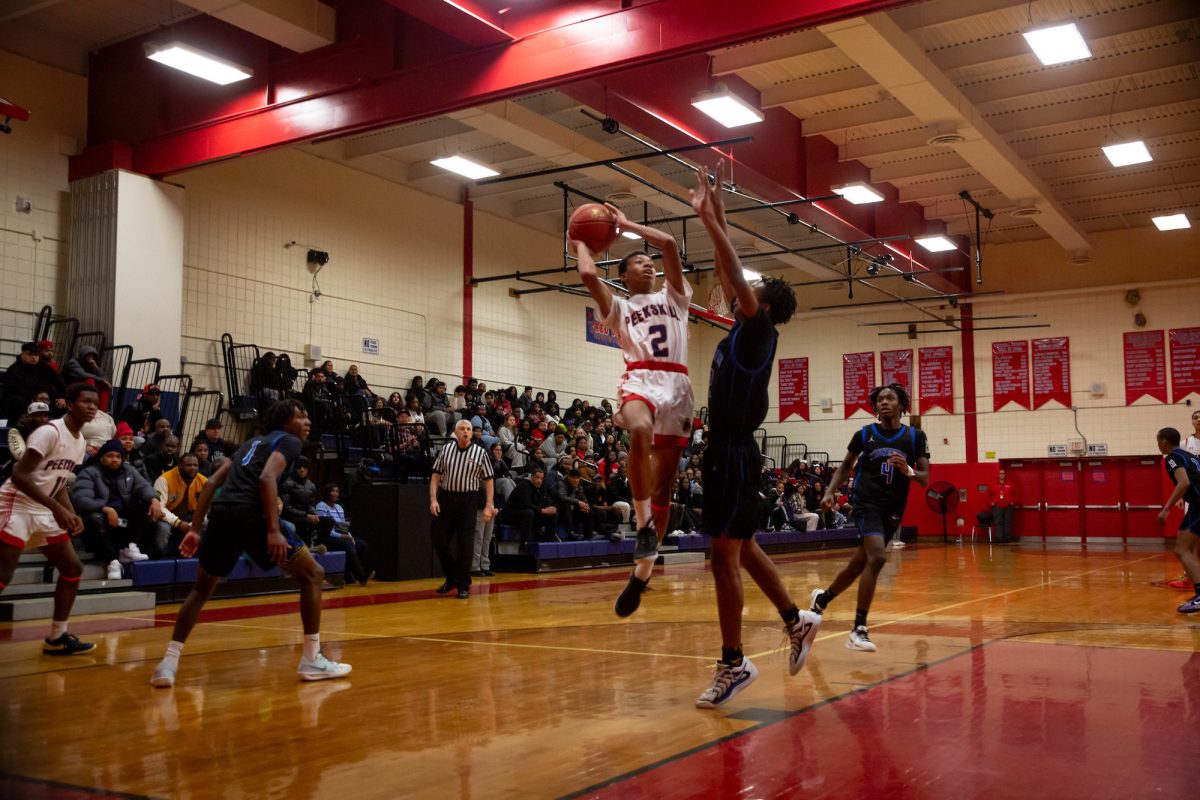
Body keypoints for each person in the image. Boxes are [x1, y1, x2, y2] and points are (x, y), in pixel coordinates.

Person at [686, 161, 821, 707]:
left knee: (724, 555)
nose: (743, 288)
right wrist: (714, 214)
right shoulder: (744, 329)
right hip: (727, 452)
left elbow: (735, 278)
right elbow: (727, 275)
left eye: (753, 288)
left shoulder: (760, 328)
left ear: (763, 305)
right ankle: (796, 620)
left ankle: (733, 663)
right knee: (740, 550)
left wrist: (711, 221)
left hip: (736, 452)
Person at [150, 399, 351, 687]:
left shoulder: (251, 443)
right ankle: (311, 659)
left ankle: (167, 663)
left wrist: (195, 529)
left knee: (202, 589)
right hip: (252, 516)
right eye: (300, 415)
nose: (307, 421)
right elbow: (268, 478)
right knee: (314, 574)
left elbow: (210, 485)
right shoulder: (290, 442)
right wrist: (273, 530)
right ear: (284, 421)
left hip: (223, 514)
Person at [575, 204, 694, 616]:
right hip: (641, 379)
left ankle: (641, 575)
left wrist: (625, 226)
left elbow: (671, 244)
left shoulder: (675, 297)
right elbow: (589, 275)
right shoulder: (620, 308)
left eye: (649, 262)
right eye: (638, 262)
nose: (648, 265)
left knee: (665, 493)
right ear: (623, 276)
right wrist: (580, 240)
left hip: (678, 387)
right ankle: (642, 524)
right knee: (638, 429)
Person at [812, 383, 930, 652]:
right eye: (879, 399)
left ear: (902, 405)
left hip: (893, 509)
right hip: (865, 504)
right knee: (877, 557)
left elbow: (924, 479)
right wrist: (830, 492)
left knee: (858, 565)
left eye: (890, 398)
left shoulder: (914, 438)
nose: (884, 402)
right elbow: (844, 467)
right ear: (875, 407)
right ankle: (858, 629)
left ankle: (823, 599)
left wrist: (909, 471)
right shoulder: (864, 434)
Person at [0, 383, 100, 655]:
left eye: (96, 402)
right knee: (3, 575)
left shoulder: (79, 442)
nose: (92, 407)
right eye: (85, 401)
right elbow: (19, 476)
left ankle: (57, 637)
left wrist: (70, 512)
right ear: (69, 404)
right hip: (16, 504)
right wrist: (58, 509)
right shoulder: (49, 432)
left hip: (43, 509)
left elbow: (58, 484)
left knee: (72, 569)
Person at [72, 438, 163, 577]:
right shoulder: (89, 472)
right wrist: (105, 509)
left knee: (146, 505)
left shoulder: (129, 471)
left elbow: (144, 487)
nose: (114, 459)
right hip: (99, 520)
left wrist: (155, 499)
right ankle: (112, 561)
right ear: (101, 458)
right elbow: (81, 500)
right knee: (94, 517)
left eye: (118, 456)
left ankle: (129, 548)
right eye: (110, 456)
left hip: (122, 518)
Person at [429, 419, 495, 598]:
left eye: (469, 429)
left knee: (465, 544)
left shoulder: (480, 453)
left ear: (472, 433)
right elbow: (435, 475)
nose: (466, 431)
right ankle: (452, 577)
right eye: (462, 429)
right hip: (447, 497)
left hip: (468, 500)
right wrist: (433, 500)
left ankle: (462, 584)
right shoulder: (446, 449)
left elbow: (489, 480)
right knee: (438, 538)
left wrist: (489, 505)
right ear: (455, 432)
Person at [1155, 427, 1200, 614]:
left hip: (1198, 506)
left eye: (1158, 441)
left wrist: (1166, 509)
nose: (1158, 444)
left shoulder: (1172, 457)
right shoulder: (1191, 456)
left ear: (1164, 441)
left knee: (1181, 549)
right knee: (1192, 550)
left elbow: (1184, 482)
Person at [151, 452, 207, 558]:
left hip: (190, 516)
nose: (192, 468)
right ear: (180, 466)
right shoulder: (164, 479)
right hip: (165, 517)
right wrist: (178, 523)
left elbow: (207, 507)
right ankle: (160, 558)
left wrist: (197, 521)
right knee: (163, 529)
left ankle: (199, 558)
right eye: (188, 465)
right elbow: (160, 507)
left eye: (195, 465)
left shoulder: (203, 481)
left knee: (208, 524)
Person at [501, 468, 557, 543]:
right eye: (537, 478)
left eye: (541, 478)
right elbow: (526, 504)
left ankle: (549, 540)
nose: (539, 481)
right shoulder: (524, 485)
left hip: (530, 512)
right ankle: (524, 543)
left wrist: (549, 508)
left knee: (553, 512)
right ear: (531, 477)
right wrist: (543, 510)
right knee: (529, 513)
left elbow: (543, 502)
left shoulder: (542, 487)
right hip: (512, 513)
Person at [989, 469, 1018, 543]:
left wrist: (1013, 502)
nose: (1002, 475)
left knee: (1007, 522)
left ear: (1005, 475)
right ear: (998, 475)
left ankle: (1007, 538)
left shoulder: (1010, 484)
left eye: (1003, 473)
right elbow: (988, 495)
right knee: (998, 522)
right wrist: (991, 502)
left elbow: (1015, 494)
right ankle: (999, 538)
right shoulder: (993, 484)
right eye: (1000, 473)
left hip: (1008, 506)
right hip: (997, 506)